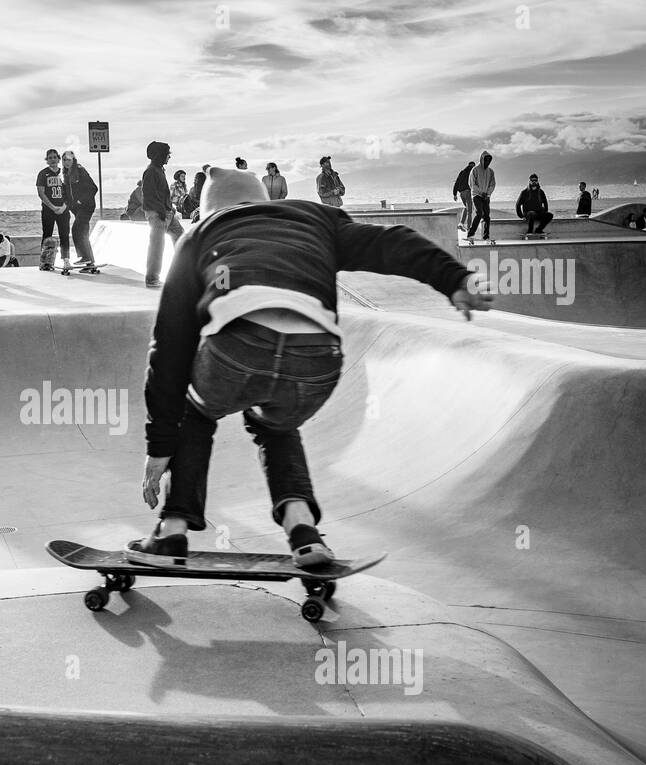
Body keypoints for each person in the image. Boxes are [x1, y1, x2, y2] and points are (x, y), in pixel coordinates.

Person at [128, 167, 490, 568]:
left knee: (195, 412)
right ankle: (304, 535)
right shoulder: (314, 217)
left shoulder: (199, 235)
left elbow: (170, 348)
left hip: (239, 344)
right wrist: (455, 278)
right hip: (317, 356)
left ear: (209, 209)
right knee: (275, 425)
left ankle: (171, 532)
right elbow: (392, 243)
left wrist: (159, 446)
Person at [142, 140, 183, 288]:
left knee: (181, 239)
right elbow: (148, 195)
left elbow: (161, 193)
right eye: (168, 154)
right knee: (157, 246)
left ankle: (182, 272)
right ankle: (152, 279)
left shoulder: (159, 169)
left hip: (167, 212)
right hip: (158, 214)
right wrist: (161, 212)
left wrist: (170, 208)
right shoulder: (151, 171)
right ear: (160, 155)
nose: (169, 156)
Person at [35, 148, 71, 272]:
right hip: (48, 210)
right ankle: (45, 262)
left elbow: (70, 193)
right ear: (47, 160)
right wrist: (52, 207)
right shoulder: (42, 173)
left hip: (63, 209)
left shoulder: (65, 173)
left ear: (58, 159)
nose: (52, 160)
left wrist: (63, 207)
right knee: (47, 236)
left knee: (64, 235)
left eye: (54, 157)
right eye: (50, 158)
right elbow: (41, 193)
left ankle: (66, 260)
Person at [63, 150, 99, 271]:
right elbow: (68, 193)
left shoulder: (80, 170)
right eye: (64, 160)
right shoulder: (66, 174)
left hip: (86, 206)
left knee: (76, 229)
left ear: (73, 160)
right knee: (83, 232)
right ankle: (90, 263)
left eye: (68, 159)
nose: (66, 162)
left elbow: (93, 188)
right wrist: (69, 204)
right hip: (77, 209)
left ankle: (85, 257)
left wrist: (80, 201)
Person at [466, 151, 496, 241]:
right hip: (476, 195)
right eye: (485, 160)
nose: (487, 162)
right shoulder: (475, 170)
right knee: (479, 213)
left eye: (489, 160)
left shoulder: (491, 171)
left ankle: (486, 236)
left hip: (486, 196)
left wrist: (488, 193)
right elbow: (472, 184)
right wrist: (481, 192)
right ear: (482, 159)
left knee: (487, 216)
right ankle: (470, 234)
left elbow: (493, 184)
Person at [453, 161, 475, 230]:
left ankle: (461, 223)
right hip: (468, 192)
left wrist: (455, 194)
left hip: (462, 194)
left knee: (467, 207)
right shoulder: (472, 173)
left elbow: (457, 182)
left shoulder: (462, 172)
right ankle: (469, 230)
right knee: (470, 211)